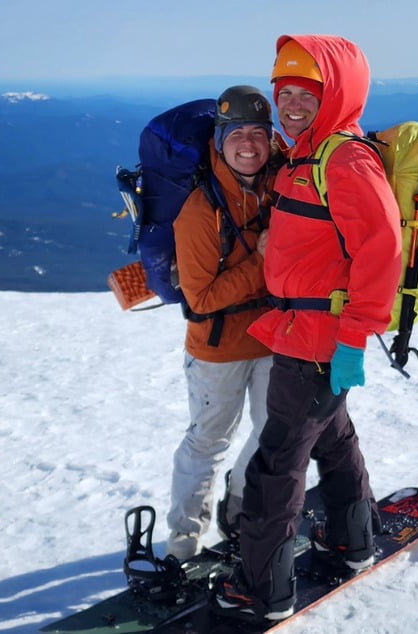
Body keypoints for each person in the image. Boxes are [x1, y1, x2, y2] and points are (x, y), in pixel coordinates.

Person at [212, 36, 403, 621]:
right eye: (285, 92)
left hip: (318, 338)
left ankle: (262, 590)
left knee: (277, 465)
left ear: (336, 95)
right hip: (304, 331)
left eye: (307, 93)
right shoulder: (306, 155)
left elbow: (382, 252)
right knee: (331, 437)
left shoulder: (344, 159)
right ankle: (352, 542)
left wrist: (351, 341)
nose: (292, 104)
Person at [165, 85, 285, 560]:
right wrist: (263, 261)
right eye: (238, 134)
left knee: (271, 429)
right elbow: (202, 296)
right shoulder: (200, 210)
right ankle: (183, 545)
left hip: (273, 338)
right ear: (219, 140)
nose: (250, 144)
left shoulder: (280, 186)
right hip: (217, 350)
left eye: (259, 132)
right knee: (207, 442)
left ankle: (239, 508)